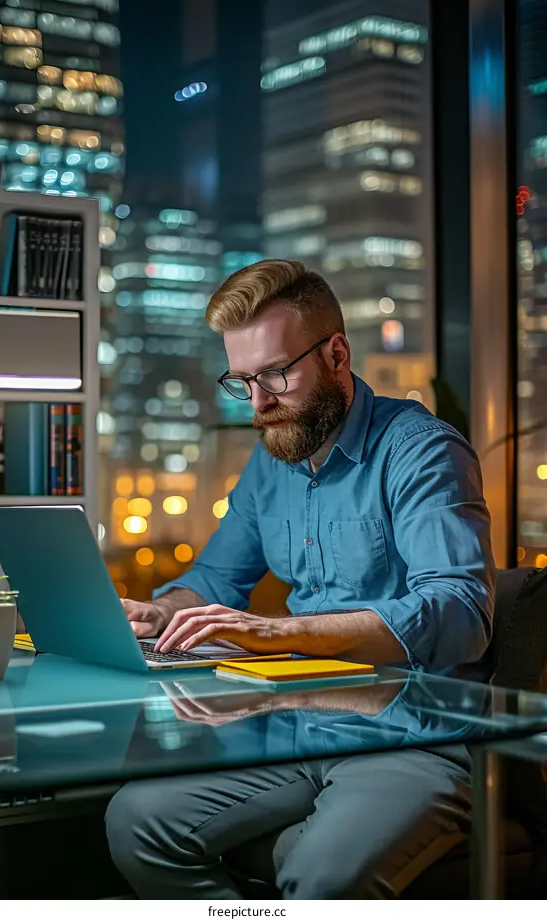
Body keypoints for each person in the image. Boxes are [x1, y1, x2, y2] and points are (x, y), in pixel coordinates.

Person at [106, 259, 495, 899]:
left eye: (276, 374)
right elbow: (214, 578)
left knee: (320, 881)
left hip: (413, 741)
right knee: (135, 822)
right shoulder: (272, 462)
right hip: (296, 729)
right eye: (243, 382)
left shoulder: (422, 450)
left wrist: (280, 633)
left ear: (337, 352)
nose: (259, 403)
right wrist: (164, 611)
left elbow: (459, 613)